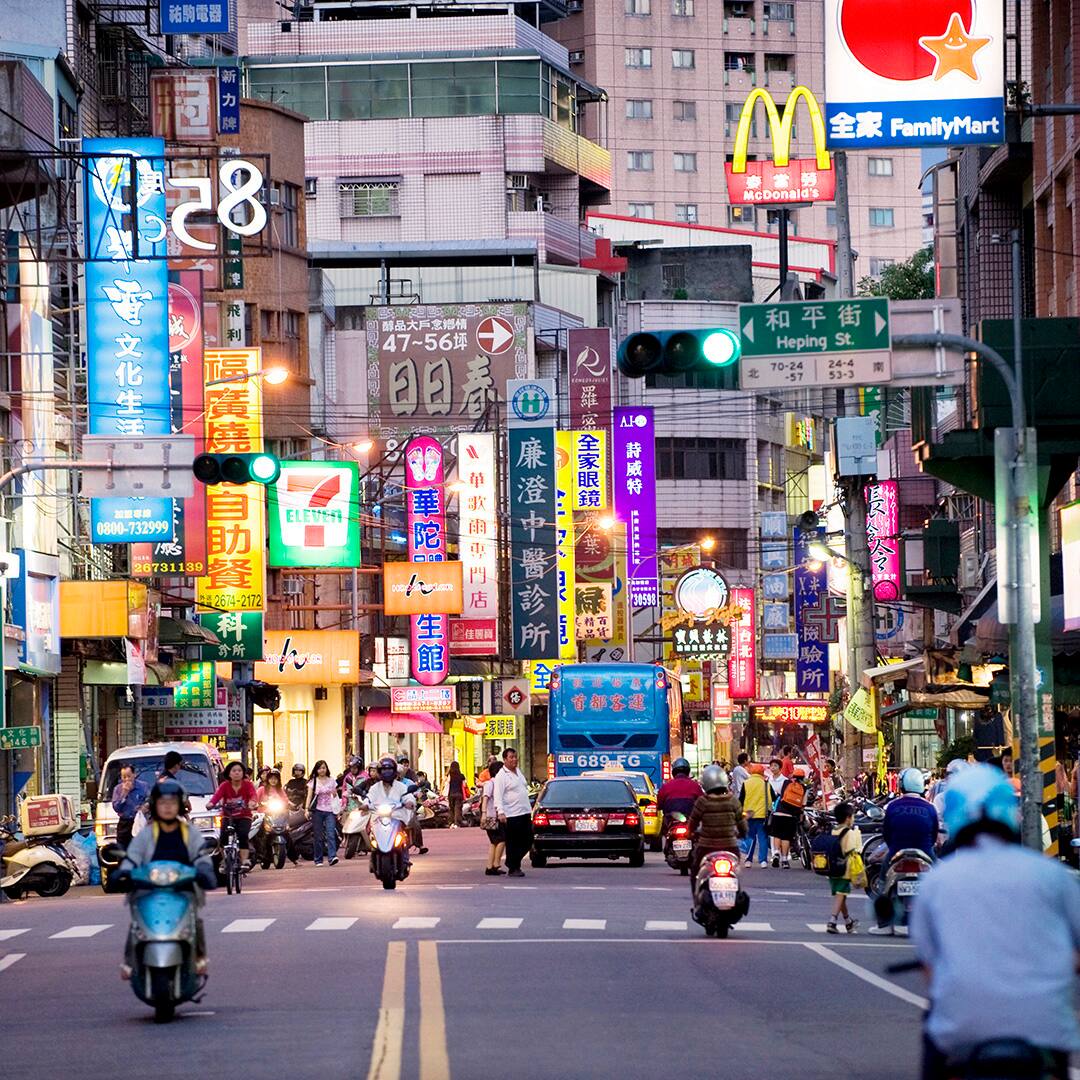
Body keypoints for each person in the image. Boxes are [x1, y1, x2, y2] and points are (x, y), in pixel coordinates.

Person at [910, 764, 1080, 1079]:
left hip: (960, 1033)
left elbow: (930, 966)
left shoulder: (937, 882)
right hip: (1044, 1031)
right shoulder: (1052, 876)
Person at [117, 779, 216, 979]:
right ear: (155, 806)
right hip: (149, 887)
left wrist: (204, 869)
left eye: (172, 803)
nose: (168, 807)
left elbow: (201, 856)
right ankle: (130, 960)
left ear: (180, 805)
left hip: (182, 886)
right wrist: (123, 872)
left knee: (194, 918)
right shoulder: (146, 834)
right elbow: (133, 857)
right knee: (137, 921)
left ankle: (199, 956)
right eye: (163, 803)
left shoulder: (189, 833)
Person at [687, 765, 747, 881]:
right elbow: (741, 822)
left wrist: (690, 833)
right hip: (730, 846)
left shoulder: (702, 802)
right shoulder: (733, 801)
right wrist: (743, 833)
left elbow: (693, 822)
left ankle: (697, 892)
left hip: (706, 846)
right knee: (735, 873)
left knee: (695, 871)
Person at [207, 761, 258, 869]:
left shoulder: (248, 785)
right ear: (229, 773)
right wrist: (211, 804)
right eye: (234, 771)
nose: (237, 773)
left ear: (243, 773)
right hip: (228, 816)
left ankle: (244, 861)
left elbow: (253, 795)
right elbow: (216, 796)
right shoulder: (224, 785)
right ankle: (224, 861)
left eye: (239, 770)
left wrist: (252, 803)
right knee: (223, 838)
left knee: (243, 835)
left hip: (244, 816)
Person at [364, 757, 416, 865]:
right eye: (384, 769)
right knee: (372, 833)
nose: (386, 772)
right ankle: (374, 854)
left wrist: (409, 802)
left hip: (397, 816)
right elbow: (369, 798)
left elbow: (408, 796)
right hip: (379, 817)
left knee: (403, 834)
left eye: (389, 769)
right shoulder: (375, 788)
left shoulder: (401, 786)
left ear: (394, 771)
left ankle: (405, 856)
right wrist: (365, 804)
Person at [493, 747, 532, 877]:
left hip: (524, 811)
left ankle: (513, 861)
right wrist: (500, 812)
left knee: (528, 840)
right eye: (511, 757)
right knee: (513, 842)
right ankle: (514, 867)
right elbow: (498, 795)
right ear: (505, 759)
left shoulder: (518, 772)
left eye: (515, 757)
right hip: (511, 813)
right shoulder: (501, 775)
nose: (514, 760)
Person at [825, 801, 861, 935]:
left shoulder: (834, 830)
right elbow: (851, 850)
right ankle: (832, 920)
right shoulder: (849, 832)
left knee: (841, 895)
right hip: (844, 869)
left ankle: (848, 922)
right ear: (848, 818)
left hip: (832, 868)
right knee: (841, 894)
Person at [768, 763, 805, 869]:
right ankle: (784, 860)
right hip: (791, 815)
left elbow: (778, 796)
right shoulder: (804, 788)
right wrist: (800, 816)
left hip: (779, 812)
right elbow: (803, 804)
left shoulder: (785, 782)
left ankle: (776, 853)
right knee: (786, 837)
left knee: (777, 835)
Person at [306, 760, 340, 867]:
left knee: (330, 833)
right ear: (316, 770)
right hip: (317, 811)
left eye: (324, 768)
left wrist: (335, 795)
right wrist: (306, 809)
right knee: (318, 836)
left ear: (327, 769)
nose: (322, 770)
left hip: (330, 810)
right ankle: (318, 859)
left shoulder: (332, 781)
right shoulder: (313, 782)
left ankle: (332, 857)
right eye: (320, 768)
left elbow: (335, 796)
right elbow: (309, 796)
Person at [111, 763, 150, 850]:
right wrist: (124, 794)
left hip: (139, 821)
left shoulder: (143, 786)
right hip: (124, 823)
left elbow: (150, 800)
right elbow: (116, 808)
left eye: (129, 776)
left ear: (134, 775)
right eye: (124, 777)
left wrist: (145, 806)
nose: (126, 779)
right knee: (122, 850)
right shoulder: (117, 789)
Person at [739, 766, 771, 868]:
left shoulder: (746, 783)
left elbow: (741, 799)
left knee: (749, 837)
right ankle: (763, 861)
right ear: (762, 773)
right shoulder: (766, 784)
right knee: (763, 838)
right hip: (762, 815)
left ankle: (748, 860)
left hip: (748, 814)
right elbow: (771, 799)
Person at [480, 760, 506, 875]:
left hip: (493, 816)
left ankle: (490, 866)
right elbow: (485, 798)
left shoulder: (496, 783)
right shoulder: (491, 783)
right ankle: (496, 864)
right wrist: (484, 813)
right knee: (502, 839)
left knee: (494, 842)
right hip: (492, 816)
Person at [444, 761, 470, 828]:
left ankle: (451, 823)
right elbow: (464, 785)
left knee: (451, 809)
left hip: (451, 794)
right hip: (459, 794)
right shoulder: (461, 776)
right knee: (458, 809)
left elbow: (446, 784)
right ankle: (457, 823)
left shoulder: (449, 775)